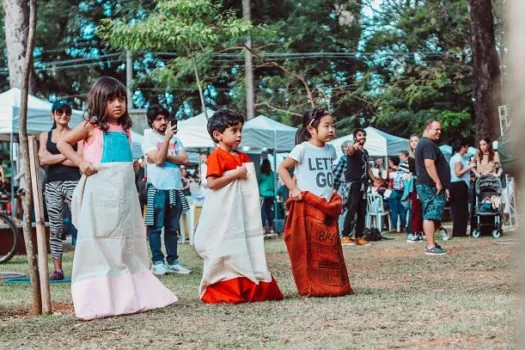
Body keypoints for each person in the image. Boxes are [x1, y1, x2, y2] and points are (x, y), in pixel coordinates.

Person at [58, 76, 176, 320]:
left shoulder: (126, 130)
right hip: (100, 195)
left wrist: (132, 166)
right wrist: (81, 162)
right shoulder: (92, 126)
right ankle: (99, 295)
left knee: (124, 240)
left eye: (121, 99)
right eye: (111, 99)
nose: (117, 104)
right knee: (100, 239)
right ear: (100, 101)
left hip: (123, 196)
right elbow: (63, 143)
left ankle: (128, 292)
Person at [193, 109, 283, 304]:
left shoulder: (243, 157)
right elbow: (213, 183)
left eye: (240, 130)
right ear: (218, 135)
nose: (239, 135)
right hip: (225, 214)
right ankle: (226, 280)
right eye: (234, 130)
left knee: (246, 245)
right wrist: (236, 173)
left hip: (242, 212)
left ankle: (248, 277)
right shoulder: (216, 156)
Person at [278, 107, 352, 297]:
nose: (331, 130)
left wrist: (333, 191)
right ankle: (312, 285)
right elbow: (283, 169)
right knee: (309, 250)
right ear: (311, 129)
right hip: (309, 206)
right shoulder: (302, 149)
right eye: (326, 126)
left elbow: (328, 174)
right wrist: (293, 189)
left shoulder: (330, 150)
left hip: (327, 207)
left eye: (332, 126)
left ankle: (332, 284)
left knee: (329, 249)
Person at [142, 105, 191, 276]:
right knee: (155, 227)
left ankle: (173, 261)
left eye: (165, 118)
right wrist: (167, 145)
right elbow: (159, 160)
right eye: (159, 119)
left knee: (172, 228)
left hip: (175, 188)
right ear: (151, 122)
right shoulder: (148, 137)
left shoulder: (176, 140)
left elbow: (186, 160)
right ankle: (157, 262)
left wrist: (166, 154)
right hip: (157, 188)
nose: (163, 122)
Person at [38, 100, 82, 280]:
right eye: (59, 111)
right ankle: (57, 269)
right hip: (52, 184)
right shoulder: (44, 135)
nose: (64, 115)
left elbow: (78, 160)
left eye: (67, 111)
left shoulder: (76, 134)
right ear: (53, 114)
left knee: (80, 224)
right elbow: (42, 159)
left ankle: (84, 266)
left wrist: (53, 157)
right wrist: (67, 154)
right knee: (55, 227)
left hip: (73, 182)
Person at [414, 119, 451, 256]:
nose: (439, 132)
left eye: (440, 129)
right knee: (430, 214)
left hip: (430, 184)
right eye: (436, 129)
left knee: (434, 214)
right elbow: (429, 164)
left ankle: (431, 242)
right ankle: (430, 246)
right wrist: (438, 182)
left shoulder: (426, 143)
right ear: (428, 129)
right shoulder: (427, 144)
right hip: (429, 185)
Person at [339, 128, 379, 246]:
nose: (362, 137)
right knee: (351, 210)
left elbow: (368, 168)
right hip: (353, 184)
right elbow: (349, 151)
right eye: (360, 135)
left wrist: (374, 179)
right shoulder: (353, 148)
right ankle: (345, 236)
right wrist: (353, 145)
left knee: (362, 211)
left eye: (364, 135)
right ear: (355, 137)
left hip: (363, 185)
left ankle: (359, 236)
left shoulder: (365, 152)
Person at [449, 139, 474, 237]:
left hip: (454, 185)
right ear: (463, 147)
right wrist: (469, 166)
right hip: (459, 185)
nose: (467, 148)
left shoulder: (454, 157)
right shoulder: (458, 158)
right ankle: (460, 232)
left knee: (457, 209)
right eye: (467, 147)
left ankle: (458, 231)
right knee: (461, 209)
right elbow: (458, 173)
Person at [407, 134, 424, 243]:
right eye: (412, 141)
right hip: (414, 185)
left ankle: (419, 232)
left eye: (416, 140)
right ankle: (416, 232)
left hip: (422, 183)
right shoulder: (410, 157)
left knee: (421, 209)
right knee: (415, 209)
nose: (414, 143)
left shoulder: (421, 155)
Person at [387, 157, 408, 232]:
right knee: (402, 210)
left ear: (392, 162)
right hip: (402, 192)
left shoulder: (391, 173)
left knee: (394, 210)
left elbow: (389, 183)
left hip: (393, 192)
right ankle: (403, 227)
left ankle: (394, 227)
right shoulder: (404, 172)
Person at [258, 159, 276, 236]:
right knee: (269, 211)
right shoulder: (273, 174)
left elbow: (257, 182)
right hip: (271, 194)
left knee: (263, 212)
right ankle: (271, 228)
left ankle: (264, 228)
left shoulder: (261, 174)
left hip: (263, 194)